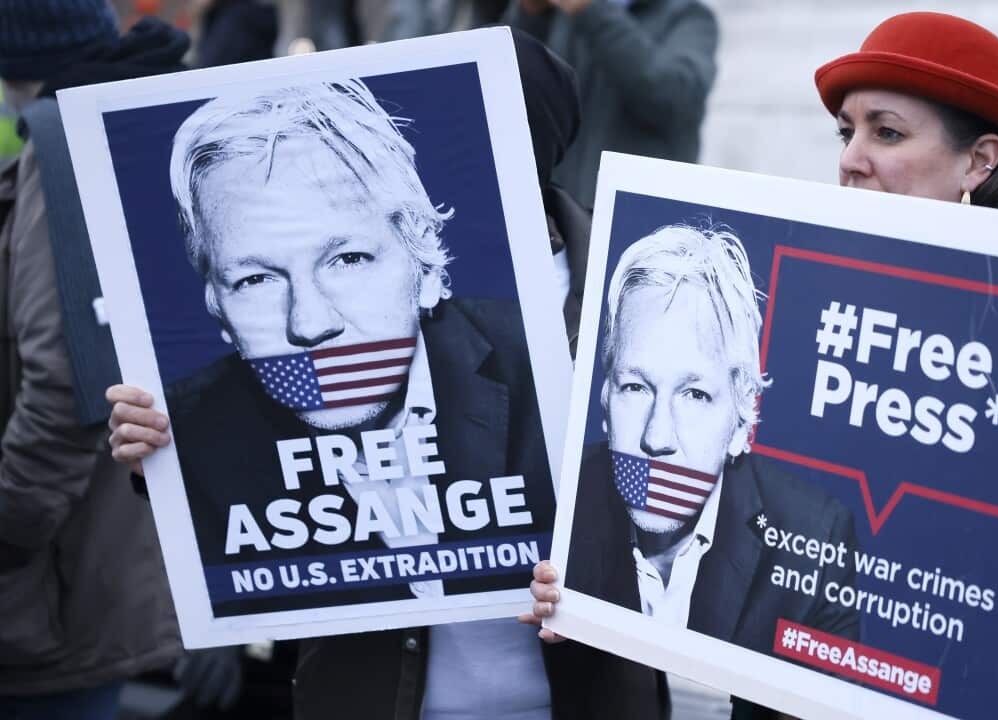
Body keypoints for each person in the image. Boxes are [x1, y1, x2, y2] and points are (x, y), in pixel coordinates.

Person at [529, 11, 998, 720]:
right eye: (846, 131)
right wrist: (582, 598)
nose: (851, 156)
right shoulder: (788, 304)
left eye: (886, 132)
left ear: (979, 160)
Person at [108, 30, 670, 720]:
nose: (309, 320)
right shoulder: (218, 401)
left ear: (420, 256)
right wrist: (161, 460)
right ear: (216, 301)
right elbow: (234, 497)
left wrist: (614, 582)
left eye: (346, 260)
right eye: (255, 277)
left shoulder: (646, 292)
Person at [550, 223, 860, 656]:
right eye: (636, 388)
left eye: (694, 394)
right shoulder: (557, 500)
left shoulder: (814, 540)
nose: (657, 437)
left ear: (740, 423)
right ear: (604, 399)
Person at [0, 1, 185, 716]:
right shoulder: (126, 125)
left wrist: (9, 527)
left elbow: (65, 386)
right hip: (93, 573)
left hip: (56, 592)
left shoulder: (65, 152)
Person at [504, 0, 719, 209]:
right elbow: (507, 101)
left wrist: (591, 11)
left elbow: (676, 99)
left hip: (635, 220)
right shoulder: (559, 15)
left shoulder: (690, 17)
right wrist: (530, 16)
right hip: (558, 219)